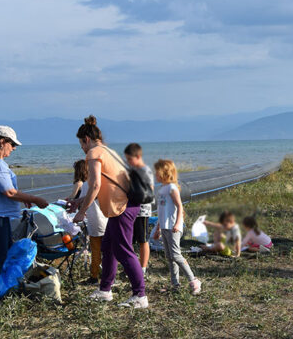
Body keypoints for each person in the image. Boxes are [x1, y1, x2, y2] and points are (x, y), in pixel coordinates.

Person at [69, 115, 147, 308]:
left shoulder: (94, 153)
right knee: (108, 248)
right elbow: (104, 186)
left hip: (122, 207)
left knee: (123, 250)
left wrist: (81, 212)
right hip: (124, 205)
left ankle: (140, 295)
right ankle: (105, 290)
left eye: (81, 144)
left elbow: (95, 184)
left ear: (86, 139)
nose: (82, 148)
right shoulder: (107, 151)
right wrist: (79, 201)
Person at [0, 126, 48, 308]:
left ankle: (0, 288)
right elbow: (8, 191)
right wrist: (34, 199)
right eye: (12, 144)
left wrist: (23, 199)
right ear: (2, 142)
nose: (13, 148)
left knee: (4, 251)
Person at [154, 159, 201, 294]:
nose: (155, 174)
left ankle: (194, 280)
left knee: (176, 255)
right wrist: (158, 228)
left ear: (165, 172)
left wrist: (177, 223)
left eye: (157, 171)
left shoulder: (172, 188)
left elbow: (180, 206)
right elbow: (161, 211)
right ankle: (175, 284)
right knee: (169, 257)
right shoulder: (162, 189)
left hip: (173, 227)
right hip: (164, 227)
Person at [65, 159, 108, 285]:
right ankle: (109, 275)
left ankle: (94, 276)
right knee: (108, 251)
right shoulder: (100, 184)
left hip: (95, 222)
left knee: (96, 251)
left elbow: (84, 202)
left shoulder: (85, 185)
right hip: (106, 220)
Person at [124, 143, 153, 277]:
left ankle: (143, 268)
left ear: (138, 156)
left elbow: (150, 190)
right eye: (127, 159)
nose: (129, 162)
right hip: (131, 209)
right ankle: (132, 266)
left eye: (130, 159)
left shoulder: (145, 170)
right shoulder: (133, 171)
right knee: (130, 239)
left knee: (143, 239)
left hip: (143, 210)